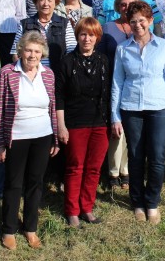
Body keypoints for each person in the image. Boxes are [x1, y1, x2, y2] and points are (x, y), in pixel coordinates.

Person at [111, 1, 165, 224]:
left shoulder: (164, 46)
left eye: (142, 20)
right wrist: (115, 115)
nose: (138, 25)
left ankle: (152, 201)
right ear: (128, 24)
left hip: (159, 107)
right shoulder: (122, 49)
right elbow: (116, 82)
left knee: (158, 157)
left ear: (150, 21)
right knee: (135, 156)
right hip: (131, 108)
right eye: (133, 21)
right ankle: (137, 202)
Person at [0, 31, 59, 250]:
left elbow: (52, 108)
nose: (32, 55)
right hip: (17, 136)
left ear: (43, 54)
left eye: (37, 51)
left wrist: (55, 139)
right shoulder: (7, 73)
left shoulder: (48, 74)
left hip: (42, 135)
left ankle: (30, 228)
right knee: (13, 183)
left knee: (35, 183)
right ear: (20, 51)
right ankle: (9, 229)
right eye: (28, 50)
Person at [56, 17, 110, 227]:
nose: (87, 39)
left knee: (94, 168)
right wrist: (61, 125)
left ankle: (87, 207)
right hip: (75, 122)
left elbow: (108, 94)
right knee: (75, 167)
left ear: (97, 38)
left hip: (100, 122)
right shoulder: (66, 62)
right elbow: (59, 96)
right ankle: (72, 210)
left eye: (91, 35)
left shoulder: (104, 61)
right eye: (83, 34)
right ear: (77, 36)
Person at [97, 0, 139, 189]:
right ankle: (113, 171)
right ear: (117, 7)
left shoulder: (141, 29)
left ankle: (126, 169)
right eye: (123, 4)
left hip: (135, 85)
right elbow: (100, 58)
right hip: (113, 84)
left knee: (131, 128)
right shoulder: (107, 28)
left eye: (131, 4)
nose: (127, 8)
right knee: (116, 127)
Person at [10, 0, 76, 73]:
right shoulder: (25, 24)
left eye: (50, 0)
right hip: (30, 73)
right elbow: (15, 53)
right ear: (36, 2)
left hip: (58, 75)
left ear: (56, 3)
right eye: (42, 0)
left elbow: (71, 51)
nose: (46, 4)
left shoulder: (64, 23)